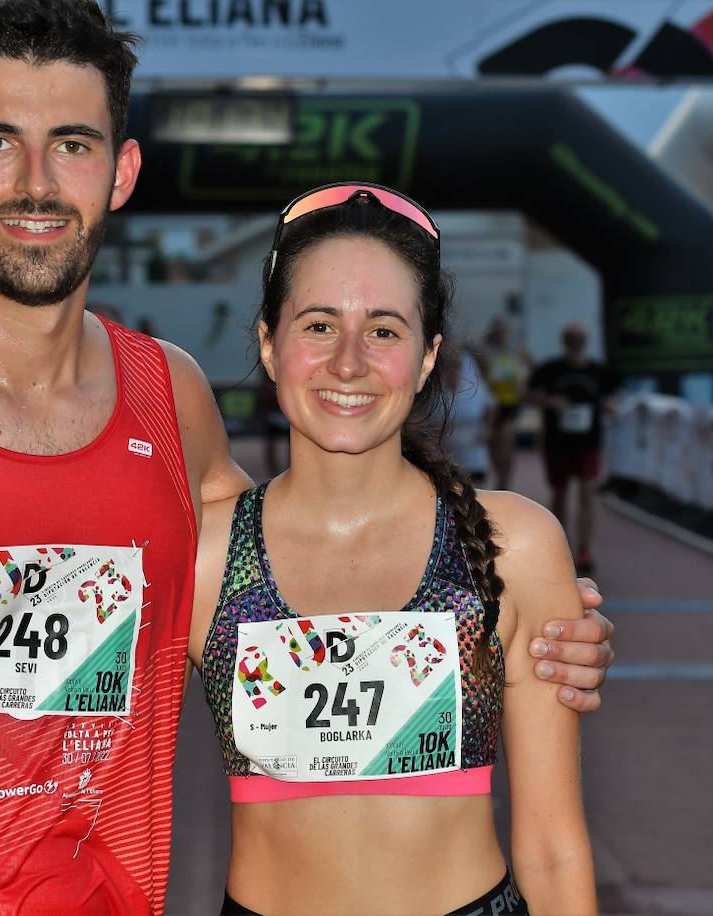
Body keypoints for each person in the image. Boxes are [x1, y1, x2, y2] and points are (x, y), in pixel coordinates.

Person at [0, 3, 615, 913]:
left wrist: (539, 634)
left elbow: (309, 587)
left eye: (70, 145)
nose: (35, 183)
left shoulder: (170, 399)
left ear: (119, 173)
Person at [191, 183, 594, 914]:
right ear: (267, 343)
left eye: (383, 330)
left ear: (429, 354)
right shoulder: (205, 558)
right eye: (318, 325)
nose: (349, 362)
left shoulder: (511, 549)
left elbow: (553, 848)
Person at [527, 323, 620, 576]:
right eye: (572, 338)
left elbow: (613, 397)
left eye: (580, 338)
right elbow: (529, 394)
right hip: (558, 441)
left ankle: (585, 549)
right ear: (565, 341)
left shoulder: (598, 371)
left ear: (586, 341)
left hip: (589, 441)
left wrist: (611, 406)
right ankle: (562, 548)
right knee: (559, 493)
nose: (576, 342)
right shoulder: (550, 369)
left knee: (587, 494)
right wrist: (551, 402)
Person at [476, 316, 531, 491]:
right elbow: (479, 376)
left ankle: (505, 482)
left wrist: (523, 383)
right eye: (498, 332)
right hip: (491, 404)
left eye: (504, 332)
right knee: (493, 446)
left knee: (506, 443)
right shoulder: (485, 352)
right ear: (493, 333)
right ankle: (501, 476)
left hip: (510, 403)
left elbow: (532, 366)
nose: (502, 335)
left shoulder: (516, 350)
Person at [441, 344, 492, 485]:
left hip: (474, 454)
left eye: (456, 366)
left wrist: (487, 429)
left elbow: (491, 407)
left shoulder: (476, 389)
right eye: (449, 366)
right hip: (447, 457)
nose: (453, 371)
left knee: (476, 494)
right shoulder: (436, 395)